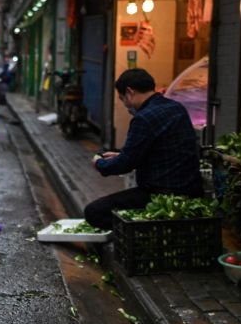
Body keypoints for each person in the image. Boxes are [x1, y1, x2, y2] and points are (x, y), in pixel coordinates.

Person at [83, 68, 203, 231]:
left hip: (160, 196)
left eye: (122, 98)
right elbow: (159, 149)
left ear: (129, 92)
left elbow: (125, 164)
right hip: (192, 191)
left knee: (94, 212)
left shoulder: (144, 118)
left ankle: (141, 233)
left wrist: (99, 163)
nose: (125, 105)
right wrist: (122, 154)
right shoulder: (177, 108)